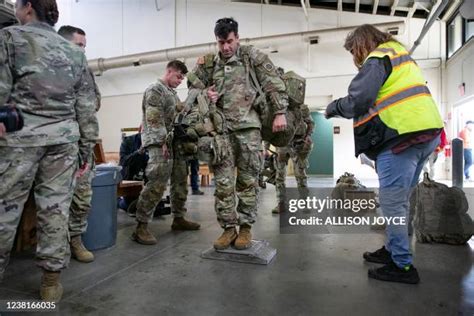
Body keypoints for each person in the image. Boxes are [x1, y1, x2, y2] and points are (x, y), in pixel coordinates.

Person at [325, 24, 443, 284]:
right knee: (401, 201)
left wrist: (332, 108)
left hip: (401, 138)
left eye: (354, 51)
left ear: (362, 44)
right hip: (426, 134)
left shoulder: (377, 58)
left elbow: (358, 100)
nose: (356, 58)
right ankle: (392, 251)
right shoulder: (400, 54)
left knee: (392, 204)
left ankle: (401, 266)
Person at [0, 0, 98, 302]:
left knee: (4, 210)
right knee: (55, 210)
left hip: (20, 139)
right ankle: (51, 283)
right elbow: (86, 107)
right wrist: (85, 150)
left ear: (27, 7)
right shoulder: (74, 52)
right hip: (64, 142)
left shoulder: (10, 38)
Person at [187, 17, 288, 250]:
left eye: (229, 41)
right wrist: (205, 94)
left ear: (237, 38)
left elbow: (275, 83)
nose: (225, 47)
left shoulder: (252, 57)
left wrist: (280, 112)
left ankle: (245, 228)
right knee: (222, 183)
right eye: (221, 42)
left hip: (248, 130)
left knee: (248, 181)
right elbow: (193, 89)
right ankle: (228, 229)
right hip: (220, 133)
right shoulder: (209, 63)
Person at [132, 60, 200, 245]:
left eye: (182, 78)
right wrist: (162, 141)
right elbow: (153, 118)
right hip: (159, 142)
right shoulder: (156, 89)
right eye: (178, 76)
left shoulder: (171, 93)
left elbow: (179, 111)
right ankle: (141, 226)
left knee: (180, 179)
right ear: (169, 71)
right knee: (157, 182)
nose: (180, 80)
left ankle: (178, 218)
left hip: (173, 142)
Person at [58, 25, 101, 264]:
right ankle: (59, 248)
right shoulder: (50, 68)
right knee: (56, 203)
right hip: (57, 147)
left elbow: (95, 102)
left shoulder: (84, 70)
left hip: (80, 144)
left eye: (84, 46)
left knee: (82, 198)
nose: (83, 51)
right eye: (78, 46)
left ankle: (76, 239)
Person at [270, 103, 314, 214]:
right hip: (282, 144)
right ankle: (281, 204)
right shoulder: (277, 107)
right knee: (279, 175)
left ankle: (304, 203)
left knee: (301, 175)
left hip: (298, 143)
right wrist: (265, 146)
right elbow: (269, 127)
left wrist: (308, 136)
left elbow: (310, 123)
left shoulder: (302, 107)